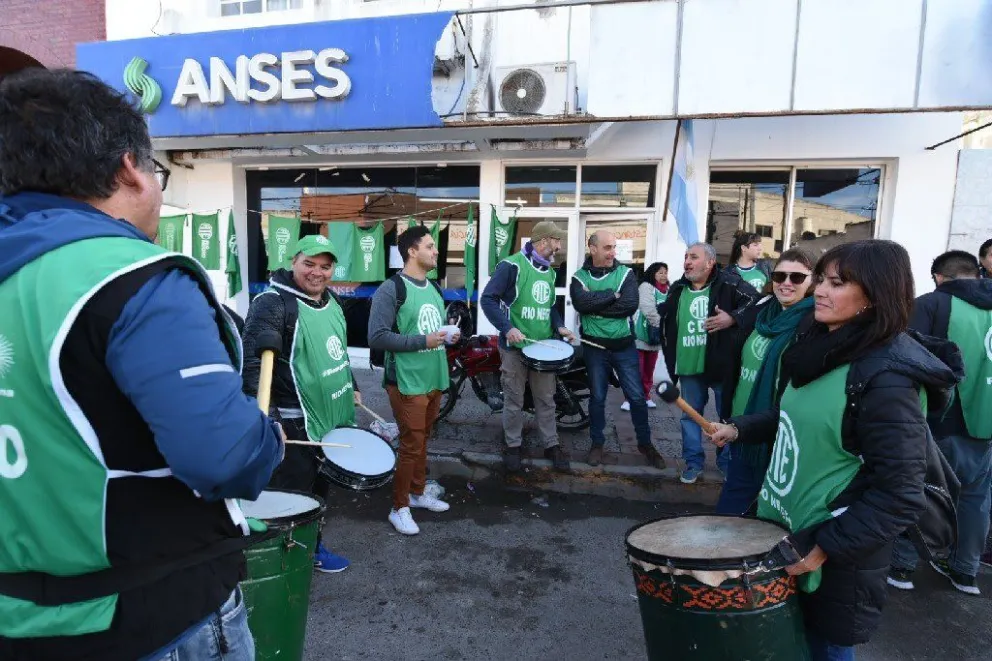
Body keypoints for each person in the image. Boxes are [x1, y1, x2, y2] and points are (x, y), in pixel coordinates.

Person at [0, 69, 283, 661]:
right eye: (159, 171)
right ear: (130, 167)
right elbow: (223, 456)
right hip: (152, 613)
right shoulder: (134, 278)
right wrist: (268, 439)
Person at [709, 240, 960, 661]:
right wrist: (739, 429)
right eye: (822, 280)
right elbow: (795, 415)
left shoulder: (887, 378)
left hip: (832, 554)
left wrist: (824, 546)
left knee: (824, 650)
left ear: (875, 295)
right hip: (786, 531)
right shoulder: (820, 348)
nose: (820, 291)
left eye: (837, 283)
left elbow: (899, 491)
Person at [242, 234, 360, 574]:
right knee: (291, 496)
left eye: (325, 266)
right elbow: (252, 366)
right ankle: (279, 564)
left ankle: (312, 547)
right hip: (294, 425)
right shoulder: (273, 303)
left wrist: (349, 384)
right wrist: (268, 421)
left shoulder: (330, 300)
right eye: (309, 264)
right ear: (294, 260)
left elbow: (334, 348)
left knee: (320, 490)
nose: (317, 273)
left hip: (329, 420)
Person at [887, 250, 992, 595]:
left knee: (918, 491)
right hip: (986, 424)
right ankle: (966, 572)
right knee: (976, 499)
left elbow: (908, 359)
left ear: (938, 277)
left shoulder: (931, 304)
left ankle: (901, 567)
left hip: (940, 421)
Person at [368, 225, 455, 535]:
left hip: (433, 376)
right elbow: (377, 337)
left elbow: (429, 329)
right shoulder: (391, 289)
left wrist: (446, 334)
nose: (436, 251)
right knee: (410, 444)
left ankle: (417, 494)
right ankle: (399, 507)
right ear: (412, 251)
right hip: (406, 380)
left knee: (422, 440)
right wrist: (423, 341)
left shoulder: (433, 287)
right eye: (430, 246)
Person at [715, 248, 815, 515]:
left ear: (812, 281)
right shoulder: (761, 309)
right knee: (734, 500)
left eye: (797, 277)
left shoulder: (815, 322)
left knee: (772, 509)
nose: (786, 282)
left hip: (779, 431)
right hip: (741, 421)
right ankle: (723, 554)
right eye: (780, 275)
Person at [659, 242, 759, 484]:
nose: (687, 262)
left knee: (727, 417)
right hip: (688, 365)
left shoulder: (729, 283)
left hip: (721, 365)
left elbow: (758, 303)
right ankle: (693, 462)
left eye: (694, 257)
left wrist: (732, 318)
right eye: (685, 257)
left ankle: (725, 463)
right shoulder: (678, 288)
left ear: (710, 262)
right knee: (690, 416)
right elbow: (668, 318)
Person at [480, 221, 574, 473]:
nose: (559, 246)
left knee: (546, 399)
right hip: (514, 348)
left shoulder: (550, 271)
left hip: (542, 347)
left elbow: (550, 306)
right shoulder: (511, 266)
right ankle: (513, 446)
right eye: (557, 241)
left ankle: (551, 444)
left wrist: (560, 326)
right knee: (513, 399)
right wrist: (507, 328)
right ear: (544, 241)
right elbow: (488, 299)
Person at [570, 230, 665, 469]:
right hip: (594, 348)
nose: (613, 252)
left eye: (614, 247)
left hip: (624, 347)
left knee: (636, 397)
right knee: (598, 398)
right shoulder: (579, 276)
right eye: (607, 247)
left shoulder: (626, 274)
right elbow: (581, 303)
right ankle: (597, 443)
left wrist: (595, 306)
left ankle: (645, 444)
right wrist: (612, 295)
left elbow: (628, 305)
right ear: (592, 249)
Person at [623, 261, 670, 412]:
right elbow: (648, 309)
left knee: (649, 370)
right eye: (660, 272)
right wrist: (662, 325)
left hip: (655, 338)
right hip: (641, 335)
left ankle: (646, 396)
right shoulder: (646, 287)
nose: (663, 275)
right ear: (652, 273)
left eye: (665, 272)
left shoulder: (668, 290)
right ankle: (630, 399)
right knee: (637, 370)